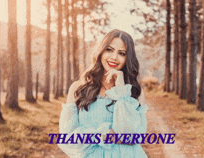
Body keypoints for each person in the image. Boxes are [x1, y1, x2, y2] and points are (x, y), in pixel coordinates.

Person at [58, 29, 148, 158]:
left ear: (128, 58)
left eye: (122, 53)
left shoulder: (134, 92)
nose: (114, 57)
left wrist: (121, 92)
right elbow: (67, 138)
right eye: (109, 50)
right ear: (101, 51)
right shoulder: (78, 87)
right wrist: (101, 136)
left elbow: (133, 137)